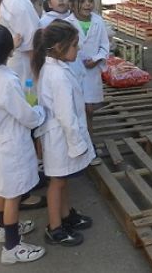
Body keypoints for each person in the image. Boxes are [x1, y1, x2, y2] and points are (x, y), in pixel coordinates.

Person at [0, 24, 46, 265]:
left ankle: (4, 228)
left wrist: (8, 45)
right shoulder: (7, 81)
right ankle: (12, 247)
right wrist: (39, 113)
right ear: (8, 51)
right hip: (13, 145)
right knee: (14, 195)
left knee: (0, 189)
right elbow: (25, 115)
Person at [31, 21, 95, 247]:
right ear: (59, 47)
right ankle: (55, 227)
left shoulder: (56, 68)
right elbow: (66, 116)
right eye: (75, 45)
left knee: (63, 178)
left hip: (60, 136)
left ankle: (66, 215)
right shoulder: (57, 75)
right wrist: (77, 143)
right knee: (57, 182)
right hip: (60, 137)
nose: (78, 49)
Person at [65, 0, 109, 134]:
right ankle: (78, 138)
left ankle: (89, 139)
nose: (87, 4)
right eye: (82, 1)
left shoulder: (98, 21)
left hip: (92, 71)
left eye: (90, 1)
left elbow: (104, 46)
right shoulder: (67, 23)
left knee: (89, 110)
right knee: (76, 108)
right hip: (73, 70)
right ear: (71, 5)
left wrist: (96, 59)